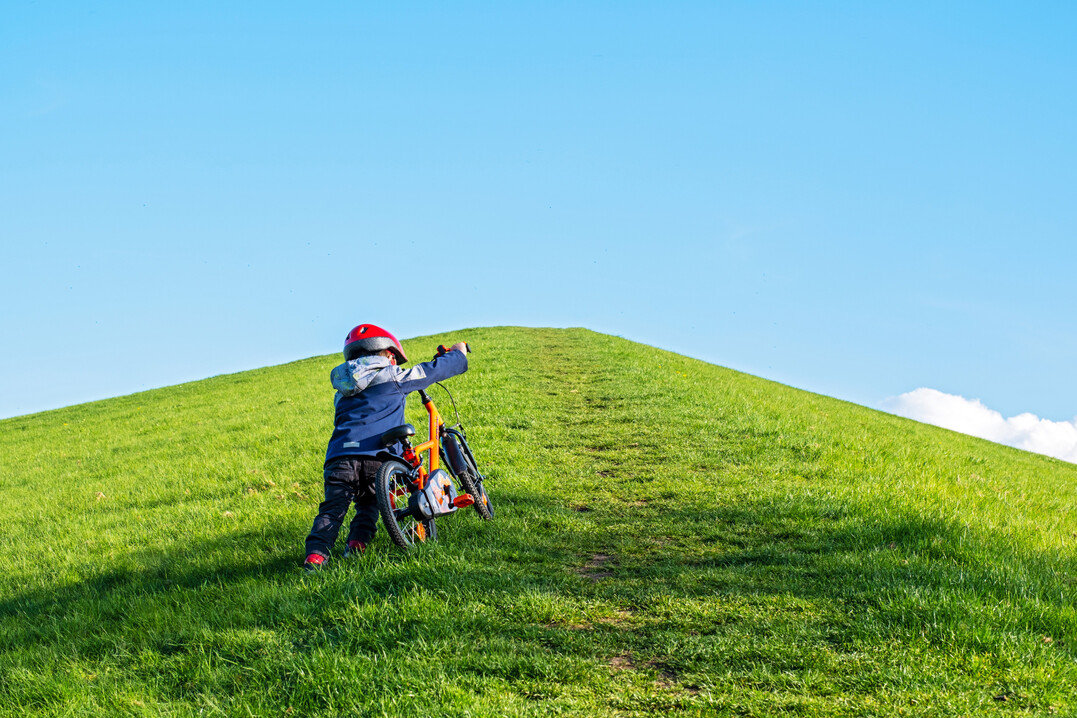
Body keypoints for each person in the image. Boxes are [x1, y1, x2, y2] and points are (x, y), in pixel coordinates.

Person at [303, 324, 469, 569]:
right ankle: (355, 546)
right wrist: (458, 354)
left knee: (332, 509)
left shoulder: (342, 391)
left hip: (340, 457)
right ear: (388, 354)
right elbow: (433, 370)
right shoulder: (393, 376)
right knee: (369, 505)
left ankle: (315, 557)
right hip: (378, 456)